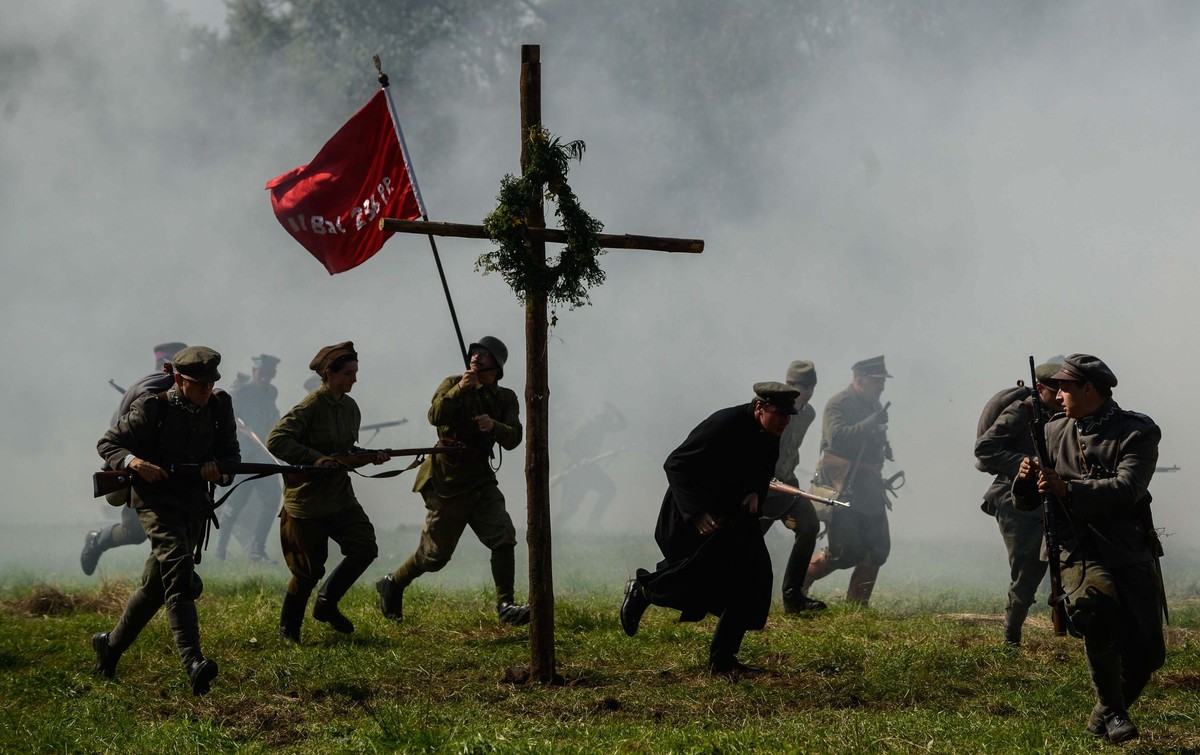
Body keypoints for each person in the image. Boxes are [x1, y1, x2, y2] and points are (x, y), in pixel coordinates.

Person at [1014, 354, 1165, 743]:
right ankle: (1114, 712)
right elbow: (1029, 503)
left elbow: (1128, 489)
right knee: (1095, 610)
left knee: (1148, 654)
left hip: (1127, 545)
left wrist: (1068, 488)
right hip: (1075, 547)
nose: (1057, 394)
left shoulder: (1137, 431)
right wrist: (1027, 481)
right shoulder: (1052, 431)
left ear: (1089, 389)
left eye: (1065, 387)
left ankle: (1100, 719)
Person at [619, 382, 799, 676]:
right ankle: (645, 589)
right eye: (779, 413)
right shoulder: (723, 424)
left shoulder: (771, 431)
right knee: (702, 579)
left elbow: (764, 468)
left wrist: (756, 492)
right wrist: (695, 513)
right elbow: (676, 464)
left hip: (735, 517)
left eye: (788, 415)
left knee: (755, 578)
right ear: (759, 407)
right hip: (691, 518)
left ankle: (723, 660)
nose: (785, 421)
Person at [91, 346, 239, 696]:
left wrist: (218, 470)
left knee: (155, 587)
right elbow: (108, 443)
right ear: (177, 379)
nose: (206, 390)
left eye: (210, 383)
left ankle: (110, 647)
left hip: (192, 502)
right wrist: (133, 463)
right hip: (154, 501)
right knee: (177, 568)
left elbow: (231, 455)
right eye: (197, 384)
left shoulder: (219, 406)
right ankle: (193, 662)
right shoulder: (153, 407)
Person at [375, 336, 529, 625]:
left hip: (481, 479)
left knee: (504, 537)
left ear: (496, 366)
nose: (476, 358)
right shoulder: (452, 383)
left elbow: (514, 436)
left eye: (484, 355)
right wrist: (460, 390)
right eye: (475, 353)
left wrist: (493, 426)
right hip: (447, 480)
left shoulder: (505, 397)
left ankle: (505, 605)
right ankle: (393, 582)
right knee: (435, 556)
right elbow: (434, 415)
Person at [265, 342, 387, 642]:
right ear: (329, 373)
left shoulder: (350, 408)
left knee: (364, 547)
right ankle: (288, 631)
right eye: (348, 373)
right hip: (306, 503)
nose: (354, 380)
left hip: (340, 499)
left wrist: (367, 455)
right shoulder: (310, 406)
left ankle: (327, 602)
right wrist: (316, 458)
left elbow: (344, 450)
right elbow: (276, 441)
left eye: (355, 373)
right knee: (307, 572)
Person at [974, 360, 1063, 646]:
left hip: (1050, 498)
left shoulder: (1062, 414)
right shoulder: (1021, 412)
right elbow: (985, 449)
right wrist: (1027, 463)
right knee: (1026, 573)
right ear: (1040, 388)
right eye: (1056, 389)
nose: (1062, 395)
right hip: (1015, 501)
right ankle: (1011, 640)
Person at [81, 341, 187, 575]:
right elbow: (114, 437)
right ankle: (97, 540)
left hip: (174, 477)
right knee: (134, 533)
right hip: (141, 474)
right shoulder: (143, 393)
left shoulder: (183, 396)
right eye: (165, 365)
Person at [804, 356, 895, 606]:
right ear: (859, 381)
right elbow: (837, 439)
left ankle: (857, 608)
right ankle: (798, 585)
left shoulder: (873, 406)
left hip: (870, 486)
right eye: (876, 382)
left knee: (877, 550)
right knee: (843, 553)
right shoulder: (838, 404)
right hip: (844, 488)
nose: (881, 387)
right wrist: (870, 424)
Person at [759, 360, 825, 613]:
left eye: (811, 386)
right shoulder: (771, 410)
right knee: (745, 542)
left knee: (809, 526)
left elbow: (791, 450)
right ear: (788, 385)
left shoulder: (808, 414)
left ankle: (793, 597)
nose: (807, 392)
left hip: (787, 483)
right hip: (763, 486)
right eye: (801, 386)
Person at [216, 354, 282, 562]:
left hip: (264, 457)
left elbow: (272, 416)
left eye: (269, 374)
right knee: (235, 504)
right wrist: (239, 425)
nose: (265, 378)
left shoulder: (272, 392)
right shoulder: (240, 392)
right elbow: (223, 414)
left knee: (272, 501)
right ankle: (220, 550)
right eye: (261, 374)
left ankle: (257, 549)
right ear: (254, 372)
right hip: (243, 458)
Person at [553, 401, 627, 531]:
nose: (608, 422)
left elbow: (623, 425)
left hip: (589, 469)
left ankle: (593, 524)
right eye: (606, 418)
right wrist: (580, 459)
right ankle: (553, 530)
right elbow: (567, 445)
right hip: (575, 469)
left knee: (609, 489)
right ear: (598, 417)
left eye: (609, 419)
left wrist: (615, 410)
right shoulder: (586, 425)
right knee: (570, 508)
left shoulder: (603, 426)